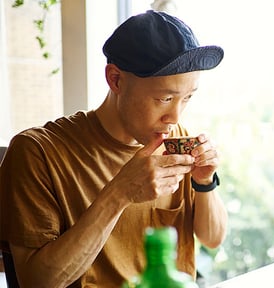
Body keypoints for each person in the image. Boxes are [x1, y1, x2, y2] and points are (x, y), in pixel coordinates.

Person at [0, 10, 228, 288]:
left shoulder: (175, 141)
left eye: (187, 98)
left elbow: (213, 238)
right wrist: (120, 193)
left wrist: (204, 182)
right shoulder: (38, 153)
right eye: (165, 98)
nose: (175, 117)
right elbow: (37, 283)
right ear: (116, 80)